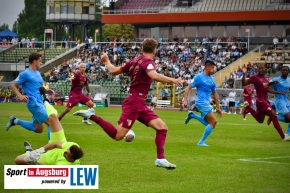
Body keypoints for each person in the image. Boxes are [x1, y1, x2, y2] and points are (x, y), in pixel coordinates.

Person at [74, 38, 184, 170]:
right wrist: (174, 80)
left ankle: (160, 159)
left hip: (139, 103)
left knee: (162, 128)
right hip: (135, 103)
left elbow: (113, 70)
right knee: (117, 135)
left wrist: (106, 60)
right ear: (155, 51)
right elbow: (153, 75)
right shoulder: (148, 63)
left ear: (142, 49)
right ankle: (92, 115)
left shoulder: (134, 61)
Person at [15, 102, 84, 165]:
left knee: (18, 160)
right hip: (59, 142)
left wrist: (35, 163)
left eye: (67, 153)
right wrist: (39, 151)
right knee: (53, 117)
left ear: (71, 159)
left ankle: (29, 152)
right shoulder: (73, 146)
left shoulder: (64, 166)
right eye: (66, 150)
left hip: (47, 158)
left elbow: (48, 169)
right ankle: (45, 102)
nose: (64, 151)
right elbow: (55, 144)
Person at [5, 52, 52, 136]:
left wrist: (45, 91)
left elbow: (38, 86)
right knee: (52, 124)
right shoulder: (25, 74)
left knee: (39, 129)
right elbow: (13, 86)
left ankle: (15, 121)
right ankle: (55, 147)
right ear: (34, 61)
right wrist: (20, 96)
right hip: (34, 103)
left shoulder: (37, 73)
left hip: (40, 101)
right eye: (40, 61)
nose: (41, 63)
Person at [241, 63, 290, 141]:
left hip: (264, 101)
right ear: (257, 70)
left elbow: (268, 89)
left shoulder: (267, 78)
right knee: (273, 115)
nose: (260, 69)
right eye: (259, 68)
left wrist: (279, 92)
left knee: (260, 120)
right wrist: (244, 74)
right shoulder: (254, 77)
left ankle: (248, 107)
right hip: (260, 101)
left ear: (265, 69)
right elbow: (244, 83)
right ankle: (283, 136)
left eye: (262, 68)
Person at [183, 60, 223, 146]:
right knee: (214, 122)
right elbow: (188, 88)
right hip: (201, 102)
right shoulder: (199, 77)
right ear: (207, 67)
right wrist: (185, 100)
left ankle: (192, 115)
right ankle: (201, 142)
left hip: (206, 103)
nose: (214, 69)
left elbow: (215, 94)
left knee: (208, 123)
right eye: (212, 68)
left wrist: (218, 108)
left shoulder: (212, 79)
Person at [269, 66, 290, 138]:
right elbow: (265, 85)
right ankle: (273, 116)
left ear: (288, 72)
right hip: (279, 101)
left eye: (286, 70)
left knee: (288, 120)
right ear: (281, 71)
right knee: (289, 118)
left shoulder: (289, 80)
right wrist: (272, 83)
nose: (285, 71)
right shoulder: (276, 79)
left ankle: (286, 134)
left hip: (287, 101)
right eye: (283, 70)